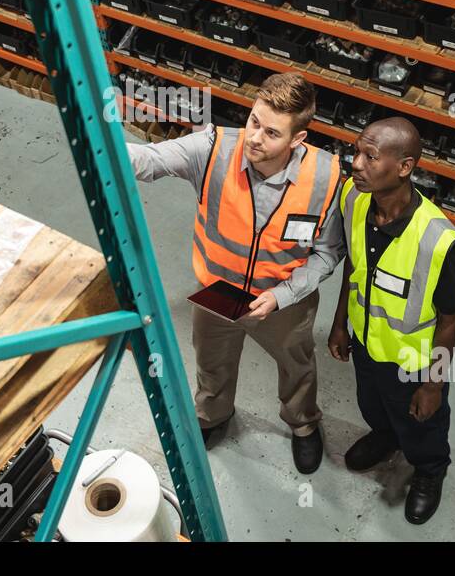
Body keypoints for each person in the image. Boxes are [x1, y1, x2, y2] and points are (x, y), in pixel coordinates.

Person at [127, 73, 342, 473]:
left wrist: (283, 295)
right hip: (217, 291)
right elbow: (150, 159)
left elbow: (328, 253)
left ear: (298, 140)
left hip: (281, 301)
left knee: (297, 366)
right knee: (212, 360)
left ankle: (302, 424)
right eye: (254, 121)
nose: (256, 137)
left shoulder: (326, 177)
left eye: (272, 132)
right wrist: (104, 147)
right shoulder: (213, 149)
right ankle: (212, 414)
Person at [327, 116, 455, 525]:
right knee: (372, 404)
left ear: (405, 167)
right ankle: (385, 437)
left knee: (423, 424)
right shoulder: (353, 197)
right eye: (355, 151)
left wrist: (433, 385)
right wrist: (340, 324)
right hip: (366, 346)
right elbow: (354, 266)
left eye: (370, 157)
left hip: (412, 361)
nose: (355, 164)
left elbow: (450, 320)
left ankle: (429, 470)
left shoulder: (438, 240)